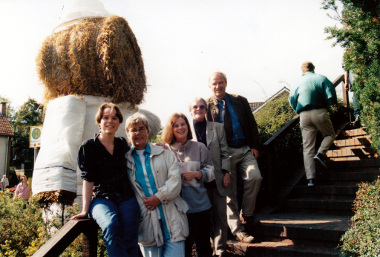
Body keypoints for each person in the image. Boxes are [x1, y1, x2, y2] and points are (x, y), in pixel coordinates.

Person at [71, 103, 140, 257]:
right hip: (102, 197)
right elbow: (88, 179)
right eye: (105, 118)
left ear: (119, 122)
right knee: (110, 225)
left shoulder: (122, 144)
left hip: (125, 196)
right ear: (99, 121)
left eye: (114, 118)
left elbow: (139, 154)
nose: (110, 121)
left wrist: (159, 146)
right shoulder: (89, 147)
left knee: (130, 231)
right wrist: (84, 209)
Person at [206, 71, 262, 243]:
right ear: (210, 86)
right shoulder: (207, 105)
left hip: (244, 149)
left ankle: (248, 214)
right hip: (225, 153)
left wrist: (254, 145)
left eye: (220, 82)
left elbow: (251, 124)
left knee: (255, 177)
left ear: (226, 83)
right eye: (214, 84)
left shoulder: (240, 100)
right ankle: (238, 229)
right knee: (230, 192)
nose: (218, 86)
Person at [125, 112, 189, 257]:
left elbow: (175, 182)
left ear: (148, 131)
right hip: (147, 223)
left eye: (141, 128)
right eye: (133, 129)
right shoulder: (125, 160)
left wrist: (158, 197)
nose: (138, 133)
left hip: (172, 219)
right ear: (128, 134)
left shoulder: (163, 153)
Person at [162, 113, 215, 257]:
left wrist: (197, 174)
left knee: (204, 248)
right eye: (176, 125)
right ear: (171, 129)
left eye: (183, 124)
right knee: (183, 250)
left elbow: (211, 172)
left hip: (200, 207)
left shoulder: (200, 147)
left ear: (188, 126)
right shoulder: (165, 151)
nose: (180, 128)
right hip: (178, 209)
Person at [188, 97, 231, 257]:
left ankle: (220, 251)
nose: (198, 109)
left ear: (206, 110)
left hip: (217, 179)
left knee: (220, 216)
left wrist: (227, 172)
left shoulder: (217, 128)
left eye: (201, 106)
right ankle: (208, 249)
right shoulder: (186, 130)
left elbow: (225, 153)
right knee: (204, 219)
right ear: (190, 110)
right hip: (196, 183)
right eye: (195, 107)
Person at [289, 61, 337, 187]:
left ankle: (310, 179)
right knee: (329, 135)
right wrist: (330, 104)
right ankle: (321, 153)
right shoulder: (321, 78)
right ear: (313, 68)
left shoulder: (296, 83)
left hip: (303, 115)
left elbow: (292, 100)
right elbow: (331, 94)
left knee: (307, 147)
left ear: (302, 70)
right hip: (319, 111)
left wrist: (298, 110)